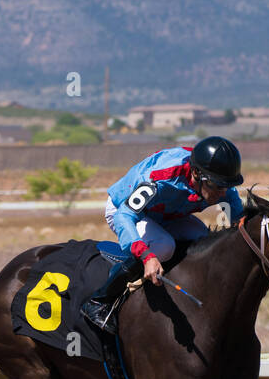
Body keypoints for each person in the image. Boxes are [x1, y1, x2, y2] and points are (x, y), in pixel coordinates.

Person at [81, 136, 244, 334]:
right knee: (164, 246)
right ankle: (100, 300)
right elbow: (125, 216)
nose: (223, 193)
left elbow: (237, 216)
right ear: (195, 173)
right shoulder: (160, 179)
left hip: (166, 214)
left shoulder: (215, 179)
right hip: (124, 211)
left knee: (202, 238)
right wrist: (147, 256)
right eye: (217, 186)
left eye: (226, 185)